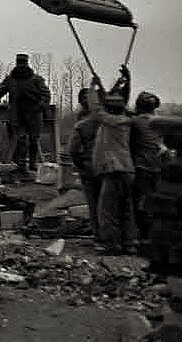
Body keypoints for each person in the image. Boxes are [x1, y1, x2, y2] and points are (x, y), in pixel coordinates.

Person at [88, 73, 138, 254]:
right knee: (126, 208)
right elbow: (117, 101)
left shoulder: (109, 121)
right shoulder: (126, 120)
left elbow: (95, 108)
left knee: (107, 209)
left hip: (113, 171)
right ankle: (130, 243)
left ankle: (112, 245)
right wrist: (124, 82)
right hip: (128, 170)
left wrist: (93, 88)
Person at [0, 53, 51, 176]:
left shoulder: (36, 79)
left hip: (34, 113)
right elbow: (0, 91)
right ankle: (21, 166)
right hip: (17, 114)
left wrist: (41, 105)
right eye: (19, 63)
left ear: (27, 64)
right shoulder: (11, 80)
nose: (21, 66)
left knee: (34, 139)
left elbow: (46, 95)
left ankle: (32, 163)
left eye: (23, 63)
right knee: (20, 139)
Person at [130, 90, 170, 241]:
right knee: (155, 201)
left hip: (142, 167)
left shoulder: (135, 122)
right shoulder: (159, 122)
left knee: (140, 203)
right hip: (158, 166)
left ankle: (145, 234)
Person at [67, 88, 103, 239]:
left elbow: (73, 149)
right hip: (104, 165)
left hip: (90, 165)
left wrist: (80, 163)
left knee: (95, 202)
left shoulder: (85, 121)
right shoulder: (106, 117)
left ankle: (99, 233)